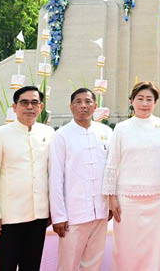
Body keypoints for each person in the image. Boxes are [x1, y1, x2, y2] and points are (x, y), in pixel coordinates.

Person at [102, 81, 160, 270]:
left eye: (149, 99)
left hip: (157, 200)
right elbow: (112, 164)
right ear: (132, 101)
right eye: (140, 99)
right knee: (126, 249)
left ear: (155, 102)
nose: (144, 103)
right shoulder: (121, 128)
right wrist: (112, 198)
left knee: (154, 249)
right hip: (128, 200)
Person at [0, 86, 55, 271]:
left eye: (34, 102)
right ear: (14, 107)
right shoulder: (0, 134)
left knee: (31, 265)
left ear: (41, 107)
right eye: (24, 102)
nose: (30, 107)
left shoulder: (49, 133)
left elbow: (52, 174)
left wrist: (51, 210)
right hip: (9, 216)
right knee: (4, 265)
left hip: (38, 214)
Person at [50, 88, 114, 271]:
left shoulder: (106, 132)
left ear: (95, 106)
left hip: (100, 211)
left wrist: (109, 204)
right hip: (73, 213)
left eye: (87, 102)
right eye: (78, 102)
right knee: (68, 264)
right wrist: (59, 215)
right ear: (71, 107)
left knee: (93, 262)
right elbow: (55, 177)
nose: (83, 106)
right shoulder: (61, 135)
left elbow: (111, 172)